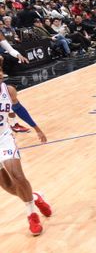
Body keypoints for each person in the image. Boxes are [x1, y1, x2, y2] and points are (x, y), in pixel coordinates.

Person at [0, 60, 52, 236]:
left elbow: (20, 110)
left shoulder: (8, 90)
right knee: (8, 186)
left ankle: (31, 215)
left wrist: (37, 128)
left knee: (18, 176)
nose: (1, 74)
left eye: (0, 70)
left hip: (4, 138)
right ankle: (35, 197)